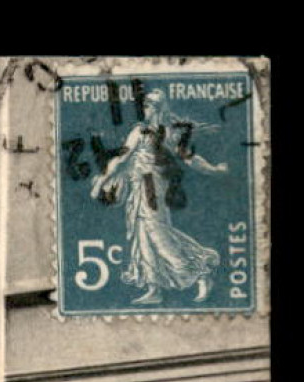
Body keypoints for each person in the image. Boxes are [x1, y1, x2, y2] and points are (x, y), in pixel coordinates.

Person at [90, 88, 229, 306]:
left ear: (158, 108)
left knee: (158, 233)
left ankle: (201, 271)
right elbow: (121, 158)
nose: (144, 109)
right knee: (142, 234)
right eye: (144, 105)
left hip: (152, 186)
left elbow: (190, 158)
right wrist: (102, 180)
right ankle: (154, 288)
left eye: (148, 105)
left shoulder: (169, 134)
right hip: (138, 186)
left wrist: (214, 170)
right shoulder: (139, 131)